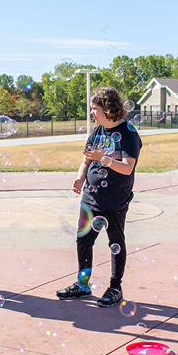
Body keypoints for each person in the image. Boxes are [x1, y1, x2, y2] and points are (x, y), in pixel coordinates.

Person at [56, 87, 142, 307]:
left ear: (108, 108)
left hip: (115, 201)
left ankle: (115, 287)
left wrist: (103, 158)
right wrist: (79, 178)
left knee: (116, 242)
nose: (92, 113)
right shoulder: (97, 132)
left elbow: (127, 168)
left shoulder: (128, 134)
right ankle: (82, 285)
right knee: (83, 241)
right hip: (91, 199)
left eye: (95, 109)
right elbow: (85, 161)